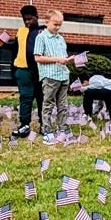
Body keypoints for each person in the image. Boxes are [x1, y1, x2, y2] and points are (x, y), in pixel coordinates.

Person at [0, 5, 44, 138]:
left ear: (36, 17)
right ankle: (24, 126)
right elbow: (16, 46)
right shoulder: (21, 31)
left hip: (40, 70)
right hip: (23, 70)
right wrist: (4, 45)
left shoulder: (42, 31)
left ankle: (44, 125)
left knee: (42, 98)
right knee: (25, 98)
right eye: (24, 19)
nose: (27, 22)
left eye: (30, 19)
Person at [32, 10, 72, 138]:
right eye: (55, 24)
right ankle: (47, 130)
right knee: (48, 104)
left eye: (60, 24)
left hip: (63, 75)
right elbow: (37, 58)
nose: (58, 27)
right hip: (50, 76)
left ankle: (62, 128)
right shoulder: (41, 37)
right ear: (47, 22)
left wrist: (68, 60)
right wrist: (56, 59)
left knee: (63, 105)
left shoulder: (61, 38)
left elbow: (63, 57)